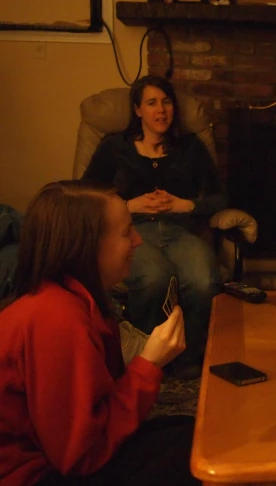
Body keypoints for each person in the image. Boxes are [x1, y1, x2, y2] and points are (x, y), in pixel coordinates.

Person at [0, 181, 199, 486]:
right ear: (85, 247)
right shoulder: (56, 319)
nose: (137, 241)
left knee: (194, 431)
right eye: (125, 233)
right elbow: (79, 456)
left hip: (65, 455)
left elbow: (99, 408)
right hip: (36, 475)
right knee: (193, 457)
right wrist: (149, 363)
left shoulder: (77, 300)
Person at [82, 75, 226, 380]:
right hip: (132, 232)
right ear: (137, 110)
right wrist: (128, 206)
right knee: (153, 277)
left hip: (180, 231)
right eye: (151, 103)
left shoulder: (191, 147)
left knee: (204, 278)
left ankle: (190, 359)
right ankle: (149, 360)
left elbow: (220, 197)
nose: (161, 110)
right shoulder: (114, 147)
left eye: (166, 101)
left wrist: (184, 205)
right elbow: (86, 194)